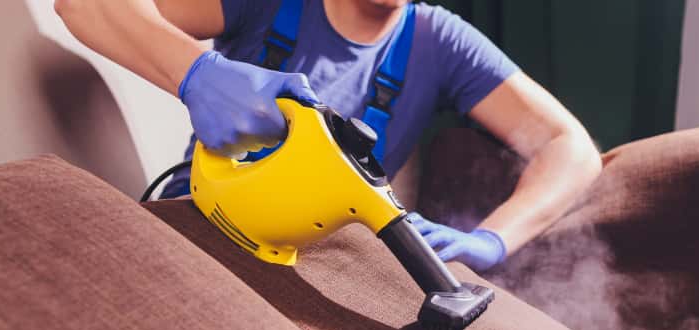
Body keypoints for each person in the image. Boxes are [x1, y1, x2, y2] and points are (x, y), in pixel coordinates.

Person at [55, 0, 602, 272]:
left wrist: (492, 240)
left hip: (335, 266)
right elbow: (83, 4)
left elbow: (569, 147)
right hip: (203, 234)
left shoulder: (443, 42)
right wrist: (196, 74)